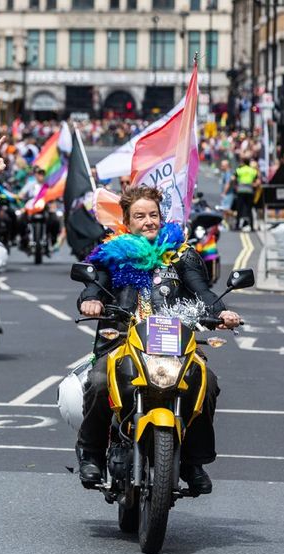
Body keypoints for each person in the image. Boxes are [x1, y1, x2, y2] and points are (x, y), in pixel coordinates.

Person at [75, 186, 242, 494]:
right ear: (127, 220)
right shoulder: (112, 253)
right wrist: (91, 301)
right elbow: (93, 285)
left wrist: (223, 312)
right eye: (140, 216)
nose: (148, 221)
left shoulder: (181, 253)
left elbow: (202, 292)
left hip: (174, 344)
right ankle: (93, 455)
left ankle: (193, 462)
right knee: (99, 382)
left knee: (207, 382)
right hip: (122, 340)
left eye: (153, 214)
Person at [233, 156, 259, 231]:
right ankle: (251, 226)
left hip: (241, 191)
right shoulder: (253, 171)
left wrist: (236, 186)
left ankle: (237, 226)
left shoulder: (239, 170)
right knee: (249, 209)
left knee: (239, 209)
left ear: (243, 162)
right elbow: (257, 182)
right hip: (250, 191)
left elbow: (233, 179)